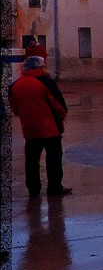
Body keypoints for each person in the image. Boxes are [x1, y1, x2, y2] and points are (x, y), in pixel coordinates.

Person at [9, 56, 72, 197]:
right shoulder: (46, 82)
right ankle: (55, 188)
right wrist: (61, 117)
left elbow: (15, 109)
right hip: (50, 127)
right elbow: (59, 105)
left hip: (29, 128)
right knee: (54, 159)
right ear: (38, 67)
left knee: (31, 160)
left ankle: (33, 189)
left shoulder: (14, 86)